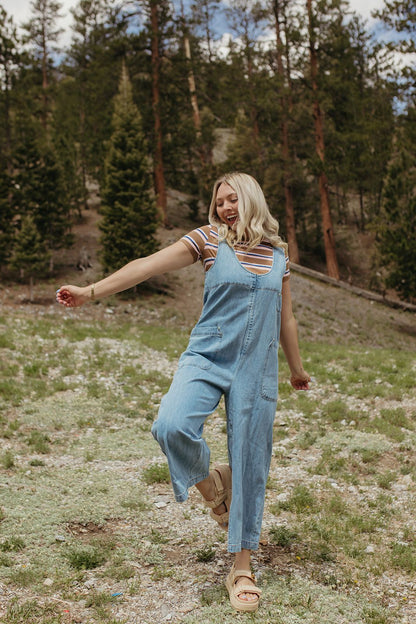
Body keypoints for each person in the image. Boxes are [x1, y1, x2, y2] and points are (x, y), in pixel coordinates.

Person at [56, 172, 310, 613]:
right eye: (220, 201)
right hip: (208, 355)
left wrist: (296, 368)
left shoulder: (277, 255)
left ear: (252, 199)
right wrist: (90, 291)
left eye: (233, 199)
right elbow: (147, 265)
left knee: (250, 460)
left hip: (256, 366)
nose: (226, 207)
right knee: (170, 425)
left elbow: (285, 317)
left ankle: (242, 567)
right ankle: (212, 487)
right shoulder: (208, 240)